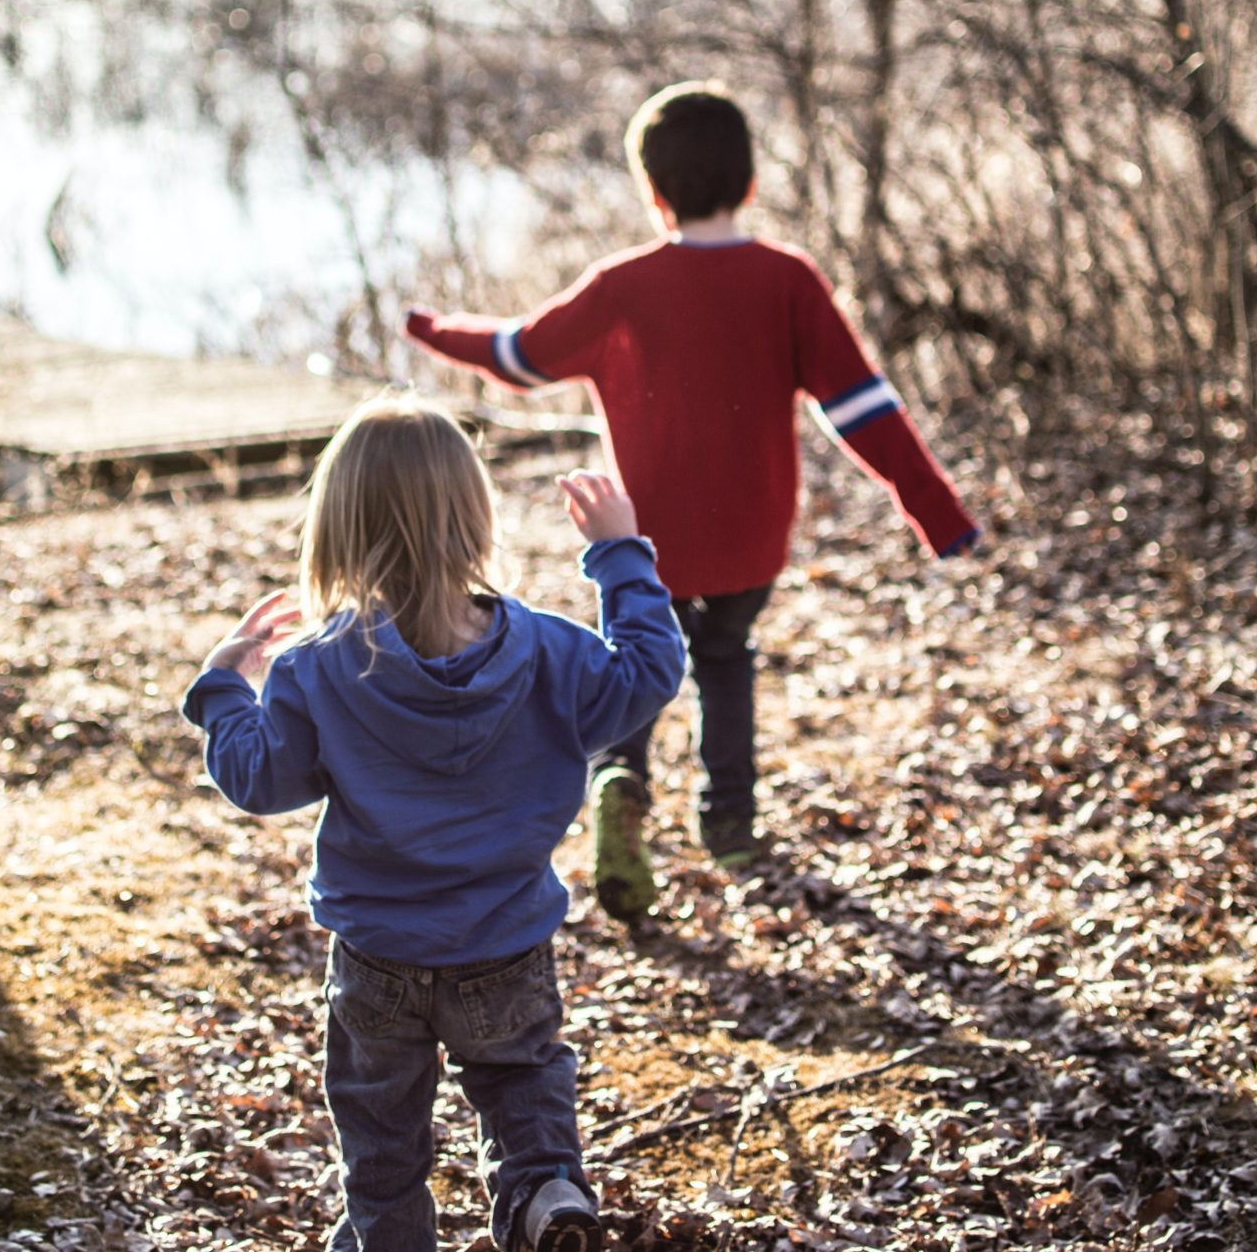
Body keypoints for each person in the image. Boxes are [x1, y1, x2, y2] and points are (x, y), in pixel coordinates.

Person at [181, 396, 685, 1252]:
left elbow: (255, 778)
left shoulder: (315, 669)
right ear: (475, 514)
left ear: (338, 528)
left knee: (379, 1122)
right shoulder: (546, 650)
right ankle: (546, 1202)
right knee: (521, 1082)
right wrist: (619, 553)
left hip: (378, 956)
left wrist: (222, 684)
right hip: (505, 940)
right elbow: (646, 676)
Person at [405, 81, 977, 919]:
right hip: (749, 538)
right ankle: (732, 823)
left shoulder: (622, 286)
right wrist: (937, 511)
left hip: (645, 540)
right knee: (724, 662)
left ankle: (619, 785)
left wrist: (433, 327)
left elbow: (519, 356)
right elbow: (863, 408)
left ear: (651, 191)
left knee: (634, 666)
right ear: (747, 184)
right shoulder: (786, 280)